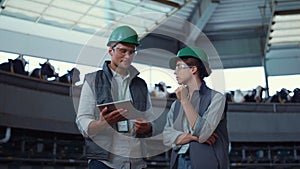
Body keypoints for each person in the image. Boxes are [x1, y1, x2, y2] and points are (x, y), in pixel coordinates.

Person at [76, 25, 154, 169]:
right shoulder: (93, 80)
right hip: (105, 163)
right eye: (123, 51)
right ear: (111, 50)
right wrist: (101, 125)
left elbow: (150, 119)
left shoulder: (141, 85)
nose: (127, 56)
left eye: (131, 52)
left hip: (136, 162)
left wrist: (147, 127)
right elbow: (82, 119)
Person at [163, 46, 229, 169]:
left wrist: (185, 101)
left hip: (206, 162)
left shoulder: (217, 99)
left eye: (179, 67)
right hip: (179, 162)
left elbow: (204, 131)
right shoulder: (176, 103)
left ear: (193, 69)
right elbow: (166, 137)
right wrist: (192, 137)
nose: (175, 72)